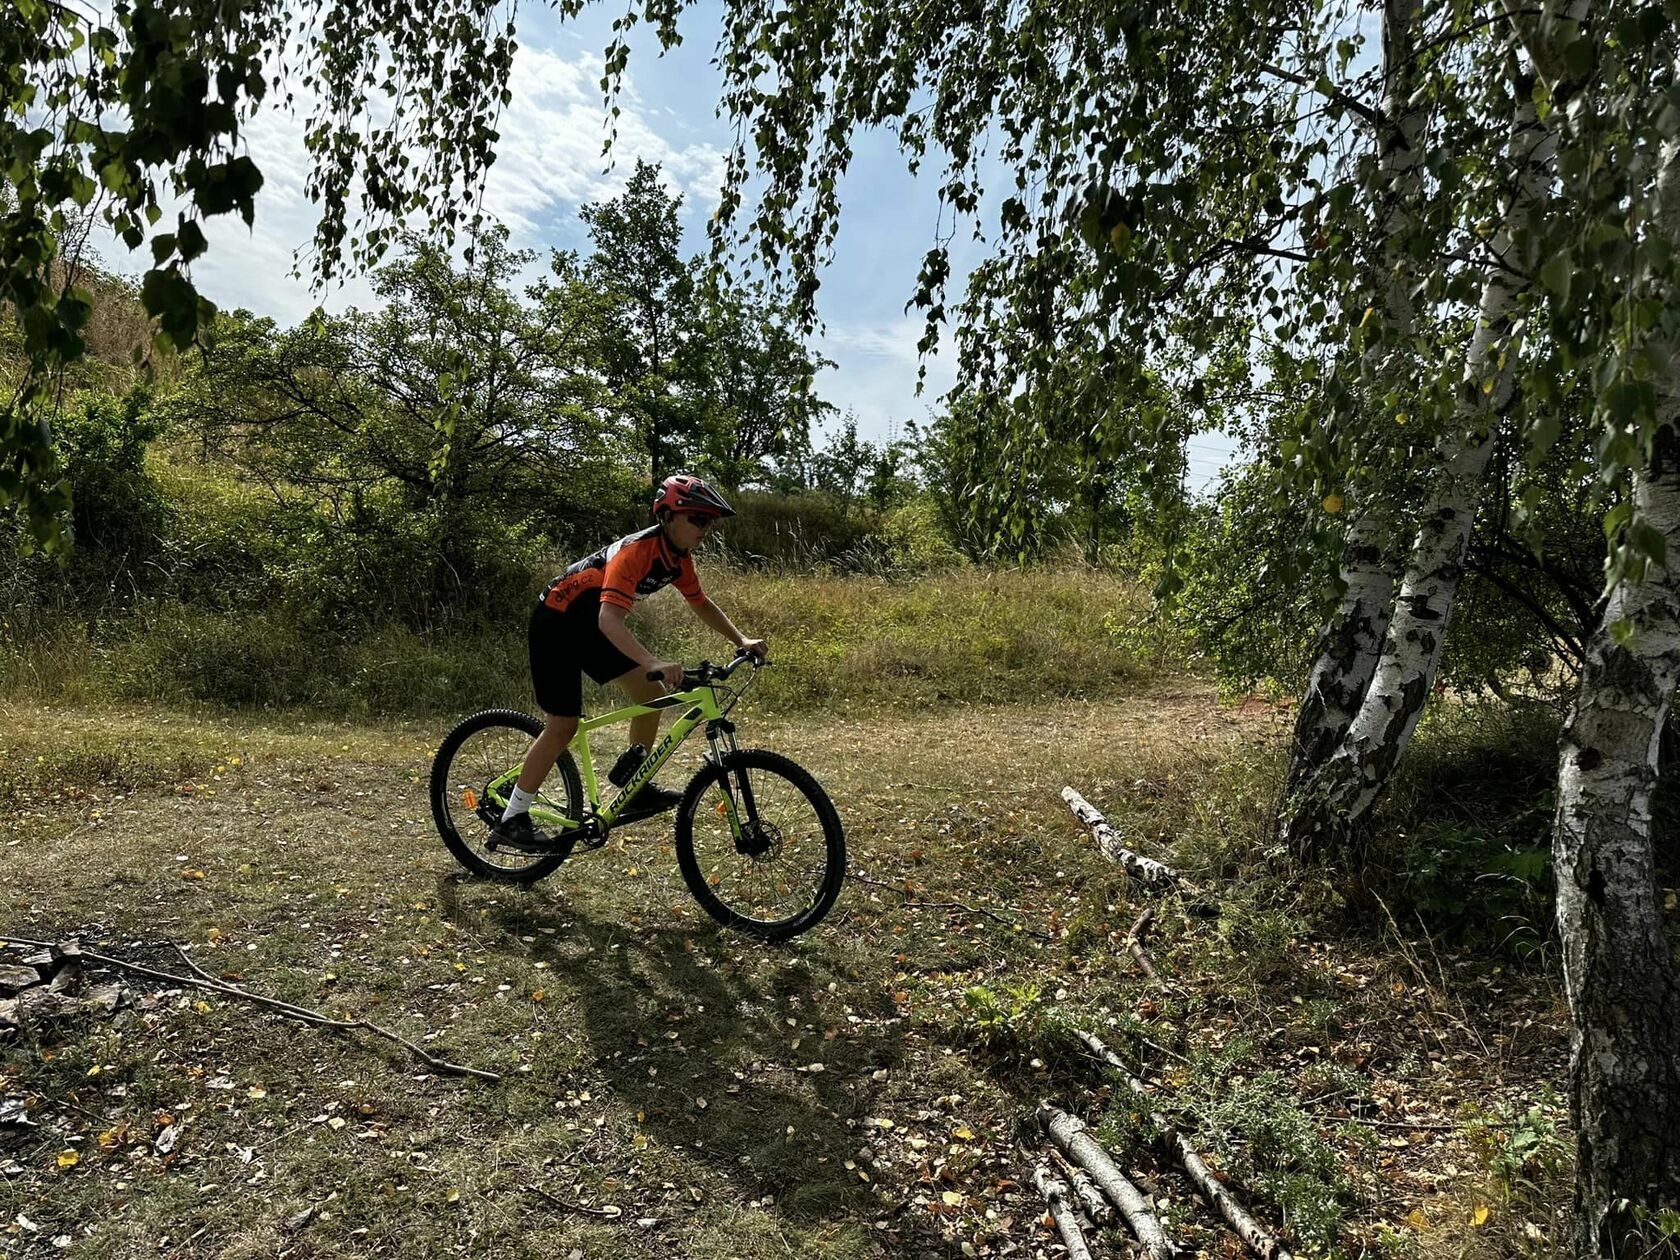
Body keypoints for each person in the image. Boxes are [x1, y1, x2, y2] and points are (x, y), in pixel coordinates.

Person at [493, 474, 766, 850]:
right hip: (557, 621)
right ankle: (512, 817)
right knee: (563, 726)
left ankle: (634, 784)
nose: (706, 529)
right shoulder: (636, 552)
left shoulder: (678, 559)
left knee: (650, 694)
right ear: (668, 516)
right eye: (698, 519)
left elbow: (700, 603)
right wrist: (652, 660)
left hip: (591, 626)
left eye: (710, 522)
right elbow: (610, 619)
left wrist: (741, 640)